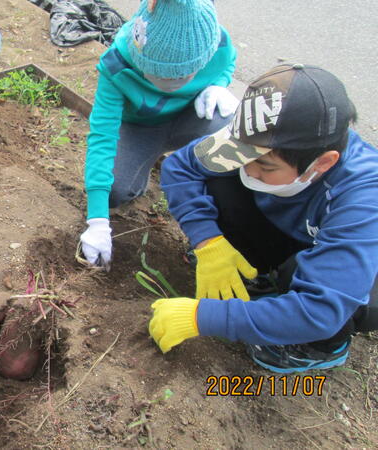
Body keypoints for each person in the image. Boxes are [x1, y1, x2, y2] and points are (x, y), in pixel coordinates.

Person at [149, 64, 378, 373]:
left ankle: (323, 347)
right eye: (243, 156)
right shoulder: (264, 135)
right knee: (221, 180)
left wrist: (203, 317)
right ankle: (259, 276)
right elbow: (180, 167)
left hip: (360, 275)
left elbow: (320, 310)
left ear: (323, 162)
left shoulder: (363, 195)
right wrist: (208, 241)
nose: (248, 169)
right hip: (297, 230)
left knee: (298, 273)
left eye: (265, 166)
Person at [79, 0, 237, 270]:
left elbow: (227, 62)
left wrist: (219, 85)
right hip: (142, 128)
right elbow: (102, 137)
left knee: (229, 128)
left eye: (181, 77)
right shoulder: (117, 65)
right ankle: (141, 166)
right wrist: (97, 221)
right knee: (115, 192)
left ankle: (216, 228)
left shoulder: (212, 41)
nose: (170, 85)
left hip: (193, 118)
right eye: (158, 75)